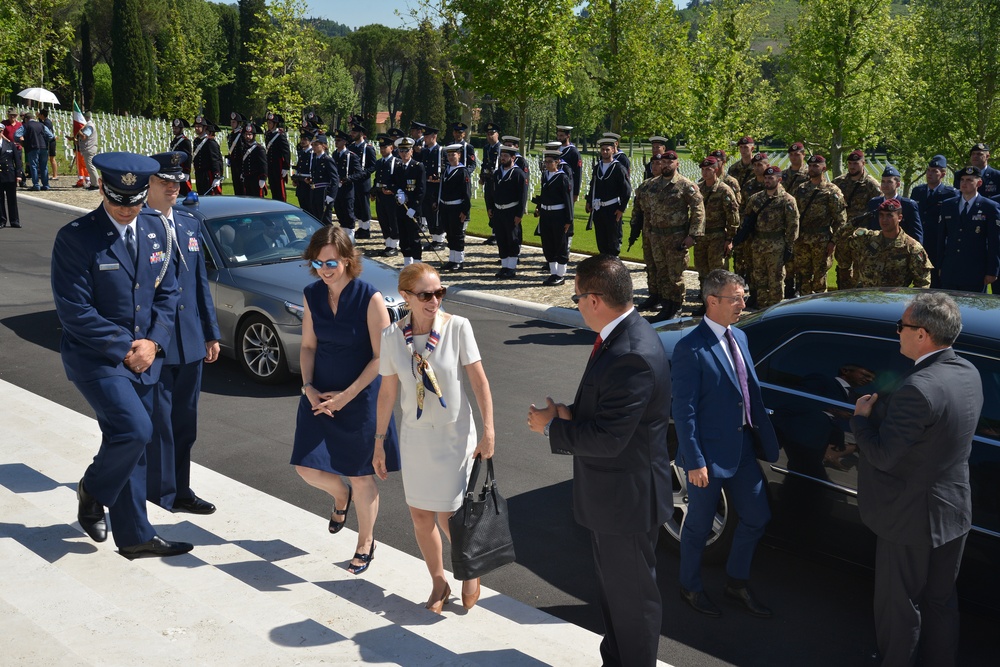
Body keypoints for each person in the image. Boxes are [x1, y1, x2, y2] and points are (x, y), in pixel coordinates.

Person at [527, 254, 670, 667]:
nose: (575, 304)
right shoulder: (624, 334)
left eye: (575, 297)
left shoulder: (631, 352)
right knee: (615, 598)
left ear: (594, 299)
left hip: (625, 503)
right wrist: (569, 412)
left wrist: (550, 428)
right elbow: (613, 413)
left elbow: (610, 440)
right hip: (617, 500)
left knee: (633, 603)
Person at [51, 151, 191, 559]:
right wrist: (124, 347)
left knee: (129, 441)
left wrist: (155, 342)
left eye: (134, 201)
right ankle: (92, 491)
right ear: (101, 189)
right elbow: (74, 310)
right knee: (135, 429)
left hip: (146, 354)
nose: (127, 210)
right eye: (118, 201)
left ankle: (134, 537)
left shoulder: (156, 229)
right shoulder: (76, 237)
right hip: (97, 358)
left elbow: (169, 292)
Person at [851, 292, 983, 667]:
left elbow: (883, 455)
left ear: (923, 334)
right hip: (954, 512)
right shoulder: (968, 372)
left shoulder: (917, 389)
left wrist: (860, 420)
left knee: (900, 607)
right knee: (941, 602)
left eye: (902, 327)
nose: (898, 333)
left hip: (910, 518)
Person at [374, 263, 495, 613]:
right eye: (426, 295)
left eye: (439, 292)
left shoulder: (457, 328)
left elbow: (479, 382)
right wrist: (379, 440)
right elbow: (386, 393)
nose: (434, 300)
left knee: (451, 514)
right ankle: (439, 582)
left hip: (455, 435)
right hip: (416, 438)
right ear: (407, 297)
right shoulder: (391, 337)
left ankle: (469, 569)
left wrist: (489, 430)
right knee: (421, 515)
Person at [671, 269, 779, 619]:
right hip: (707, 457)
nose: (743, 303)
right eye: (736, 298)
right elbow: (683, 412)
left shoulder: (741, 338)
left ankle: (736, 582)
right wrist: (694, 461)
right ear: (712, 301)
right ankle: (690, 585)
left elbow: (746, 393)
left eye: (743, 296)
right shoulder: (691, 348)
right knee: (699, 527)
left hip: (743, 450)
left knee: (757, 517)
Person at [293, 225, 400, 575]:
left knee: (360, 474)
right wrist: (308, 386)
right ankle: (340, 497)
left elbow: (381, 358)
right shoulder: (312, 294)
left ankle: (365, 542)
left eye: (332, 262)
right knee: (307, 467)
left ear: (348, 260)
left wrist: (346, 397)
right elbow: (308, 346)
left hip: (360, 397)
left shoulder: (370, 298)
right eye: (319, 262)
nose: (325, 269)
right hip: (319, 392)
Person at [144, 150, 221, 514]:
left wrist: (210, 332)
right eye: (165, 181)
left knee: (184, 424)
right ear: (149, 184)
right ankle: (160, 493)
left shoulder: (189, 223)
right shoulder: (138, 223)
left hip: (190, 340)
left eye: (177, 181)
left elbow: (198, 283)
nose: (173, 187)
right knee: (159, 426)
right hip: (154, 344)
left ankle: (182, 489)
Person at [835, 198, 932, 289]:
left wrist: (907, 302)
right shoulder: (868, 239)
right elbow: (841, 236)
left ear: (899, 218)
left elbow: (923, 283)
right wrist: (855, 222)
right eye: (881, 215)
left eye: (889, 215)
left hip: (893, 302)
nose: (884, 219)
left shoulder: (911, 248)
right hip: (865, 299)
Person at [740, 165, 799, 308]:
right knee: (759, 277)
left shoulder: (787, 200)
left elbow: (793, 224)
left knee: (776, 279)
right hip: (758, 244)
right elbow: (746, 218)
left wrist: (789, 245)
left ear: (779, 179)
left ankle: (775, 308)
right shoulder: (756, 198)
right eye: (766, 178)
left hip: (777, 244)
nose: (767, 180)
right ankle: (761, 307)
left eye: (770, 178)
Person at [937, 166, 1000, 293]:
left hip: (975, 271)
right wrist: (939, 265)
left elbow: (995, 242)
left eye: (969, 180)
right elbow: (941, 237)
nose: (964, 183)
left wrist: (992, 271)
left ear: (979, 183)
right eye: (962, 180)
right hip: (950, 269)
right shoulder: (948, 205)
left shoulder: (990, 207)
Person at [792, 155, 846, 295]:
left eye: (816, 166)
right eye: (810, 166)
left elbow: (840, 220)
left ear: (824, 168)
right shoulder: (801, 189)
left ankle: (819, 309)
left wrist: (833, 242)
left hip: (821, 240)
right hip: (802, 239)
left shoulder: (832, 191)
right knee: (803, 276)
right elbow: (794, 215)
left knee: (819, 277)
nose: (812, 168)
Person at [833, 149, 882, 288]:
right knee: (842, 268)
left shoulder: (871, 184)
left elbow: (877, 209)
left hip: (861, 234)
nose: (852, 166)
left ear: (863, 163)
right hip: (842, 233)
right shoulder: (839, 182)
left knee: (860, 268)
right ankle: (841, 295)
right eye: (850, 163)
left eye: (855, 163)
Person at [909, 155, 958, 286]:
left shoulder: (950, 193)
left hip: (938, 244)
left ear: (942, 174)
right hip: (920, 242)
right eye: (928, 170)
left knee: (937, 281)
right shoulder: (918, 191)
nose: (929, 174)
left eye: (934, 171)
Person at [533, 148, 574, 286]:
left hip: (558, 215)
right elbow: (544, 194)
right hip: (546, 214)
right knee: (548, 243)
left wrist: (569, 219)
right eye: (546, 162)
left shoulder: (563, 178)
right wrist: (539, 207)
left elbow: (567, 199)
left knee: (560, 244)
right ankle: (553, 272)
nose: (547, 164)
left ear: (557, 162)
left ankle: (561, 274)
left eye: (550, 162)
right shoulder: (545, 175)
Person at [586, 137, 632, 256]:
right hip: (598, 208)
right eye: (603, 149)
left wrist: (621, 209)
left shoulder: (618, 168)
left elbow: (626, 190)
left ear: (613, 150)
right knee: (601, 240)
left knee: (613, 240)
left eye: (607, 149)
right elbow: (593, 185)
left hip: (612, 208)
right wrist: (589, 201)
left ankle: (613, 267)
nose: (605, 152)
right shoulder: (597, 167)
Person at [489, 144, 528, 278]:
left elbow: (523, 196)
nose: (503, 158)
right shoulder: (498, 173)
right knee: (501, 239)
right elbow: (491, 192)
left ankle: (511, 267)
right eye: (502, 156)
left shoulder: (518, 174)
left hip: (511, 211)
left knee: (512, 239)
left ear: (513, 157)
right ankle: (504, 266)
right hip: (499, 211)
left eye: (506, 156)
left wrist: (519, 214)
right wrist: (490, 207)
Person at [864, 165, 923, 243]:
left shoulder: (908, 205)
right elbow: (870, 228)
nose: (885, 185)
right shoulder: (874, 203)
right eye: (883, 181)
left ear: (898, 184)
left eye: (889, 182)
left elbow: (916, 234)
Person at [438, 143, 472, 272]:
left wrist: (465, 211)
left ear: (459, 155)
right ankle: (452, 259)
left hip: (457, 207)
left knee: (457, 235)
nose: (451, 157)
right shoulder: (446, 170)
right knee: (449, 234)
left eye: (454, 154)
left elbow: (467, 193)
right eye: (449, 155)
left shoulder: (463, 171)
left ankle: (459, 261)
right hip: (445, 207)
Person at [393, 137, 425, 265]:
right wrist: (398, 191)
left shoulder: (418, 167)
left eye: (406, 151)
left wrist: (414, 207)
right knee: (404, 237)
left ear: (411, 151)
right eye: (401, 151)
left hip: (413, 209)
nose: (404, 154)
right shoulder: (398, 166)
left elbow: (421, 190)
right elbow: (393, 182)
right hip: (401, 207)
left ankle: (417, 264)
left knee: (414, 238)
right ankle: (407, 264)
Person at [372, 134, 402, 257]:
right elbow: (377, 179)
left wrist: (392, 190)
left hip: (391, 196)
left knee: (392, 220)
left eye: (385, 147)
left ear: (392, 148)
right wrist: (373, 191)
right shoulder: (380, 162)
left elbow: (399, 181)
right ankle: (388, 244)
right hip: (380, 195)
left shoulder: (396, 162)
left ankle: (394, 245)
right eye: (381, 147)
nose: (382, 150)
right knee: (383, 220)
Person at [348, 122, 377, 238]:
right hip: (353, 180)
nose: (352, 134)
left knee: (364, 205)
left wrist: (363, 173)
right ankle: (360, 227)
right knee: (356, 205)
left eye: (354, 132)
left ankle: (366, 228)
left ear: (361, 133)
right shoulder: (351, 147)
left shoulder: (368, 148)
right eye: (352, 132)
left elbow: (373, 166)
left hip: (363, 181)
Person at [17, 111, 53, 191]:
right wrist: (44, 140)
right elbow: (51, 136)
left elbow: (16, 135)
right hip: (43, 147)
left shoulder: (26, 125)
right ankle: (46, 185)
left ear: (26, 119)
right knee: (44, 167)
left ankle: (36, 185)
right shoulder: (41, 125)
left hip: (32, 147)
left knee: (34, 166)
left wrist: (21, 142)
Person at [191, 116, 223, 196]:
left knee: (210, 196)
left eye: (199, 126)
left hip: (208, 175)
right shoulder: (196, 141)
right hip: (199, 173)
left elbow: (215, 160)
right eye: (196, 126)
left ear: (205, 127)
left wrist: (217, 176)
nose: (197, 128)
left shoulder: (210, 142)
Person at [264, 112, 291, 202]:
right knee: (273, 186)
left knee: (280, 189)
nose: (268, 125)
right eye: (268, 123)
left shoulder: (280, 135)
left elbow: (286, 151)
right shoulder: (268, 134)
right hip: (271, 165)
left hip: (278, 165)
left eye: (270, 123)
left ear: (275, 124)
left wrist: (285, 167)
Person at [0, 130, 23, 228]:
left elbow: (17, 161)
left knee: (12, 199)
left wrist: (19, 174)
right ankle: (2, 221)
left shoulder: (10, 144)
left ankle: (14, 221)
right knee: (0, 200)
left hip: (9, 174)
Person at [240, 122, 268, 198]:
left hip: (256, 179)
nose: (247, 136)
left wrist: (263, 178)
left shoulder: (259, 149)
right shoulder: (244, 148)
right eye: (246, 134)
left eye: (250, 134)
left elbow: (263, 165)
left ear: (254, 135)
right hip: (247, 179)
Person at [556, 125, 583, 202]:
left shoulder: (573, 152)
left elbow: (578, 173)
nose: (559, 138)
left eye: (561, 135)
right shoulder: (555, 149)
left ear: (568, 136)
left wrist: (576, 193)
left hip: (567, 187)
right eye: (558, 135)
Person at [169, 118, 193, 195]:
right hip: (175, 170)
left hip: (182, 170)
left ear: (181, 129)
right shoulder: (174, 141)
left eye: (176, 128)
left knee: (184, 191)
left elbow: (188, 157)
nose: (174, 130)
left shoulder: (185, 141)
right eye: (173, 128)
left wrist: (187, 172)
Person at [77, 112, 100, 191]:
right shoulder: (88, 125)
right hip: (88, 148)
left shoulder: (89, 126)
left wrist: (78, 130)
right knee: (89, 166)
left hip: (89, 149)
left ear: (86, 118)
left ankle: (96, 184)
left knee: (90, 167)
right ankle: (94, 182)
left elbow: (84, 137)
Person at [226, 112, 246, 196]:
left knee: (242, 187)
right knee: (236, 185)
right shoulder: (232, 134)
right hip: (234, 164)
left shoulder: (242, 135)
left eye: (234, 122)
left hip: (241, 163)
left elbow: (244, 150)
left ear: (238, 123)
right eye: (231, 122)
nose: (232, 124)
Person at [38, 108, 58, 180]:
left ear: (42, 115)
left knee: (52, 158)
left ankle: (55, 175)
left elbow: (44, 129)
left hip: (51, 141)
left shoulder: (47, 122)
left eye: (40, 115)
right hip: (49, 141)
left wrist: (39, 120)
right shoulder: (45, 121)